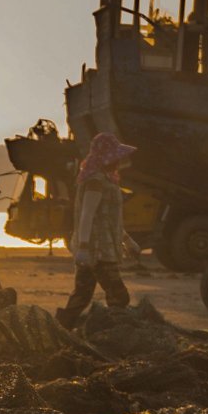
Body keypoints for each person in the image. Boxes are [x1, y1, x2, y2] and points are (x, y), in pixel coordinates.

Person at [58, 133, 136, 329]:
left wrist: (127, 239)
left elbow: (109, 218)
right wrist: (84, 247)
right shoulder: (95, 181)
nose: (119, 160)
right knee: (118, 295)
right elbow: (87, 215)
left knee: (81, 296)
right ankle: (117, 333)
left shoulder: (107, 180)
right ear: (105, 157)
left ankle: (60, 328)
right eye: (115, 156)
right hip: (98, 249)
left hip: (101, 245)